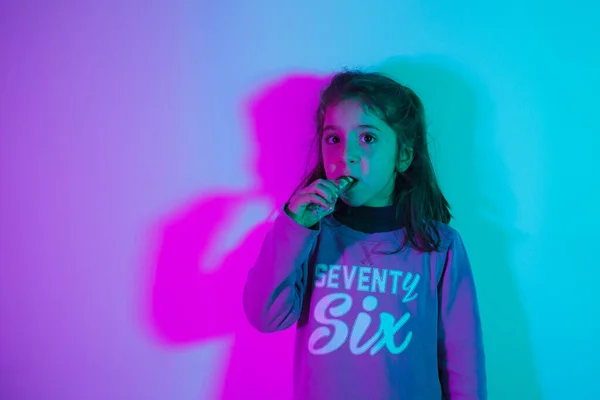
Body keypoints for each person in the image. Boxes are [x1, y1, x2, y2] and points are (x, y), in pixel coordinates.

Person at [242, 70, 487, 400]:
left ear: (403, 155)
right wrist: (293, 228)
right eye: (334, 138)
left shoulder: (440, 246)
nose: (347, 155)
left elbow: (463, 364)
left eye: (367, 138)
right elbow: (265, 316)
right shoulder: (308, 237)